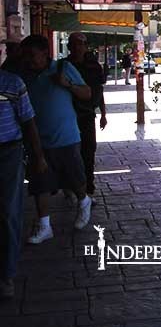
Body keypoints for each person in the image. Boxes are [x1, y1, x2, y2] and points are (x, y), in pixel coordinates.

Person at [17, 35, 92, 244]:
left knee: (74, 179)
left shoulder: (63, 68)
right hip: (37, 139)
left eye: (32, 55)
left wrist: (67, 85)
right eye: (25, 56)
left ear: (45, 53)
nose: (29, 60)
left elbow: (87, 93)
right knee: (40, 183)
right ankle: (44, 226)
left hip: (66, 137)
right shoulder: (23, 74)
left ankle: (84, 200)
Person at [0, 47, 48, 299]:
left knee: (9, 212)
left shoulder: (12, 83)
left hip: (8, 153)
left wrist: (38, 157)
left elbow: (29, 122)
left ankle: (6, 274)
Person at [63, 33, 107, 198]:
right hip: (68, 116)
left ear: (85, 46)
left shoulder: (94, 66)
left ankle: (88, 188)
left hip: (87, 115)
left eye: (81, 44)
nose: (78, 47)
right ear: (69, 47)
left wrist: (103, 114)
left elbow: (99, 91)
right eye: (74, 44)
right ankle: (70, 186)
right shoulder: (64, 66)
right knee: (69, 153)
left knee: (88, 152)